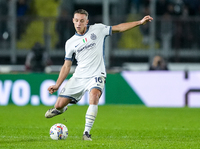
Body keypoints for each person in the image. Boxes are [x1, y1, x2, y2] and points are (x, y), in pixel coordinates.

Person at [45, 9, 153, 141]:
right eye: (76, 20)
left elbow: (118, 28)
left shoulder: (98, 29)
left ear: (87, 21)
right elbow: (67, 65)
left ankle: (86, 133)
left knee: (94, 95)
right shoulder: (70, 42)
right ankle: (60, 110)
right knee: (58, 105)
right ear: (73, 21)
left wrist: (140, 22)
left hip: (97, 73)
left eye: (82, 21)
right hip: (79, 77)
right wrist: (57, 84)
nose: (79, 23)